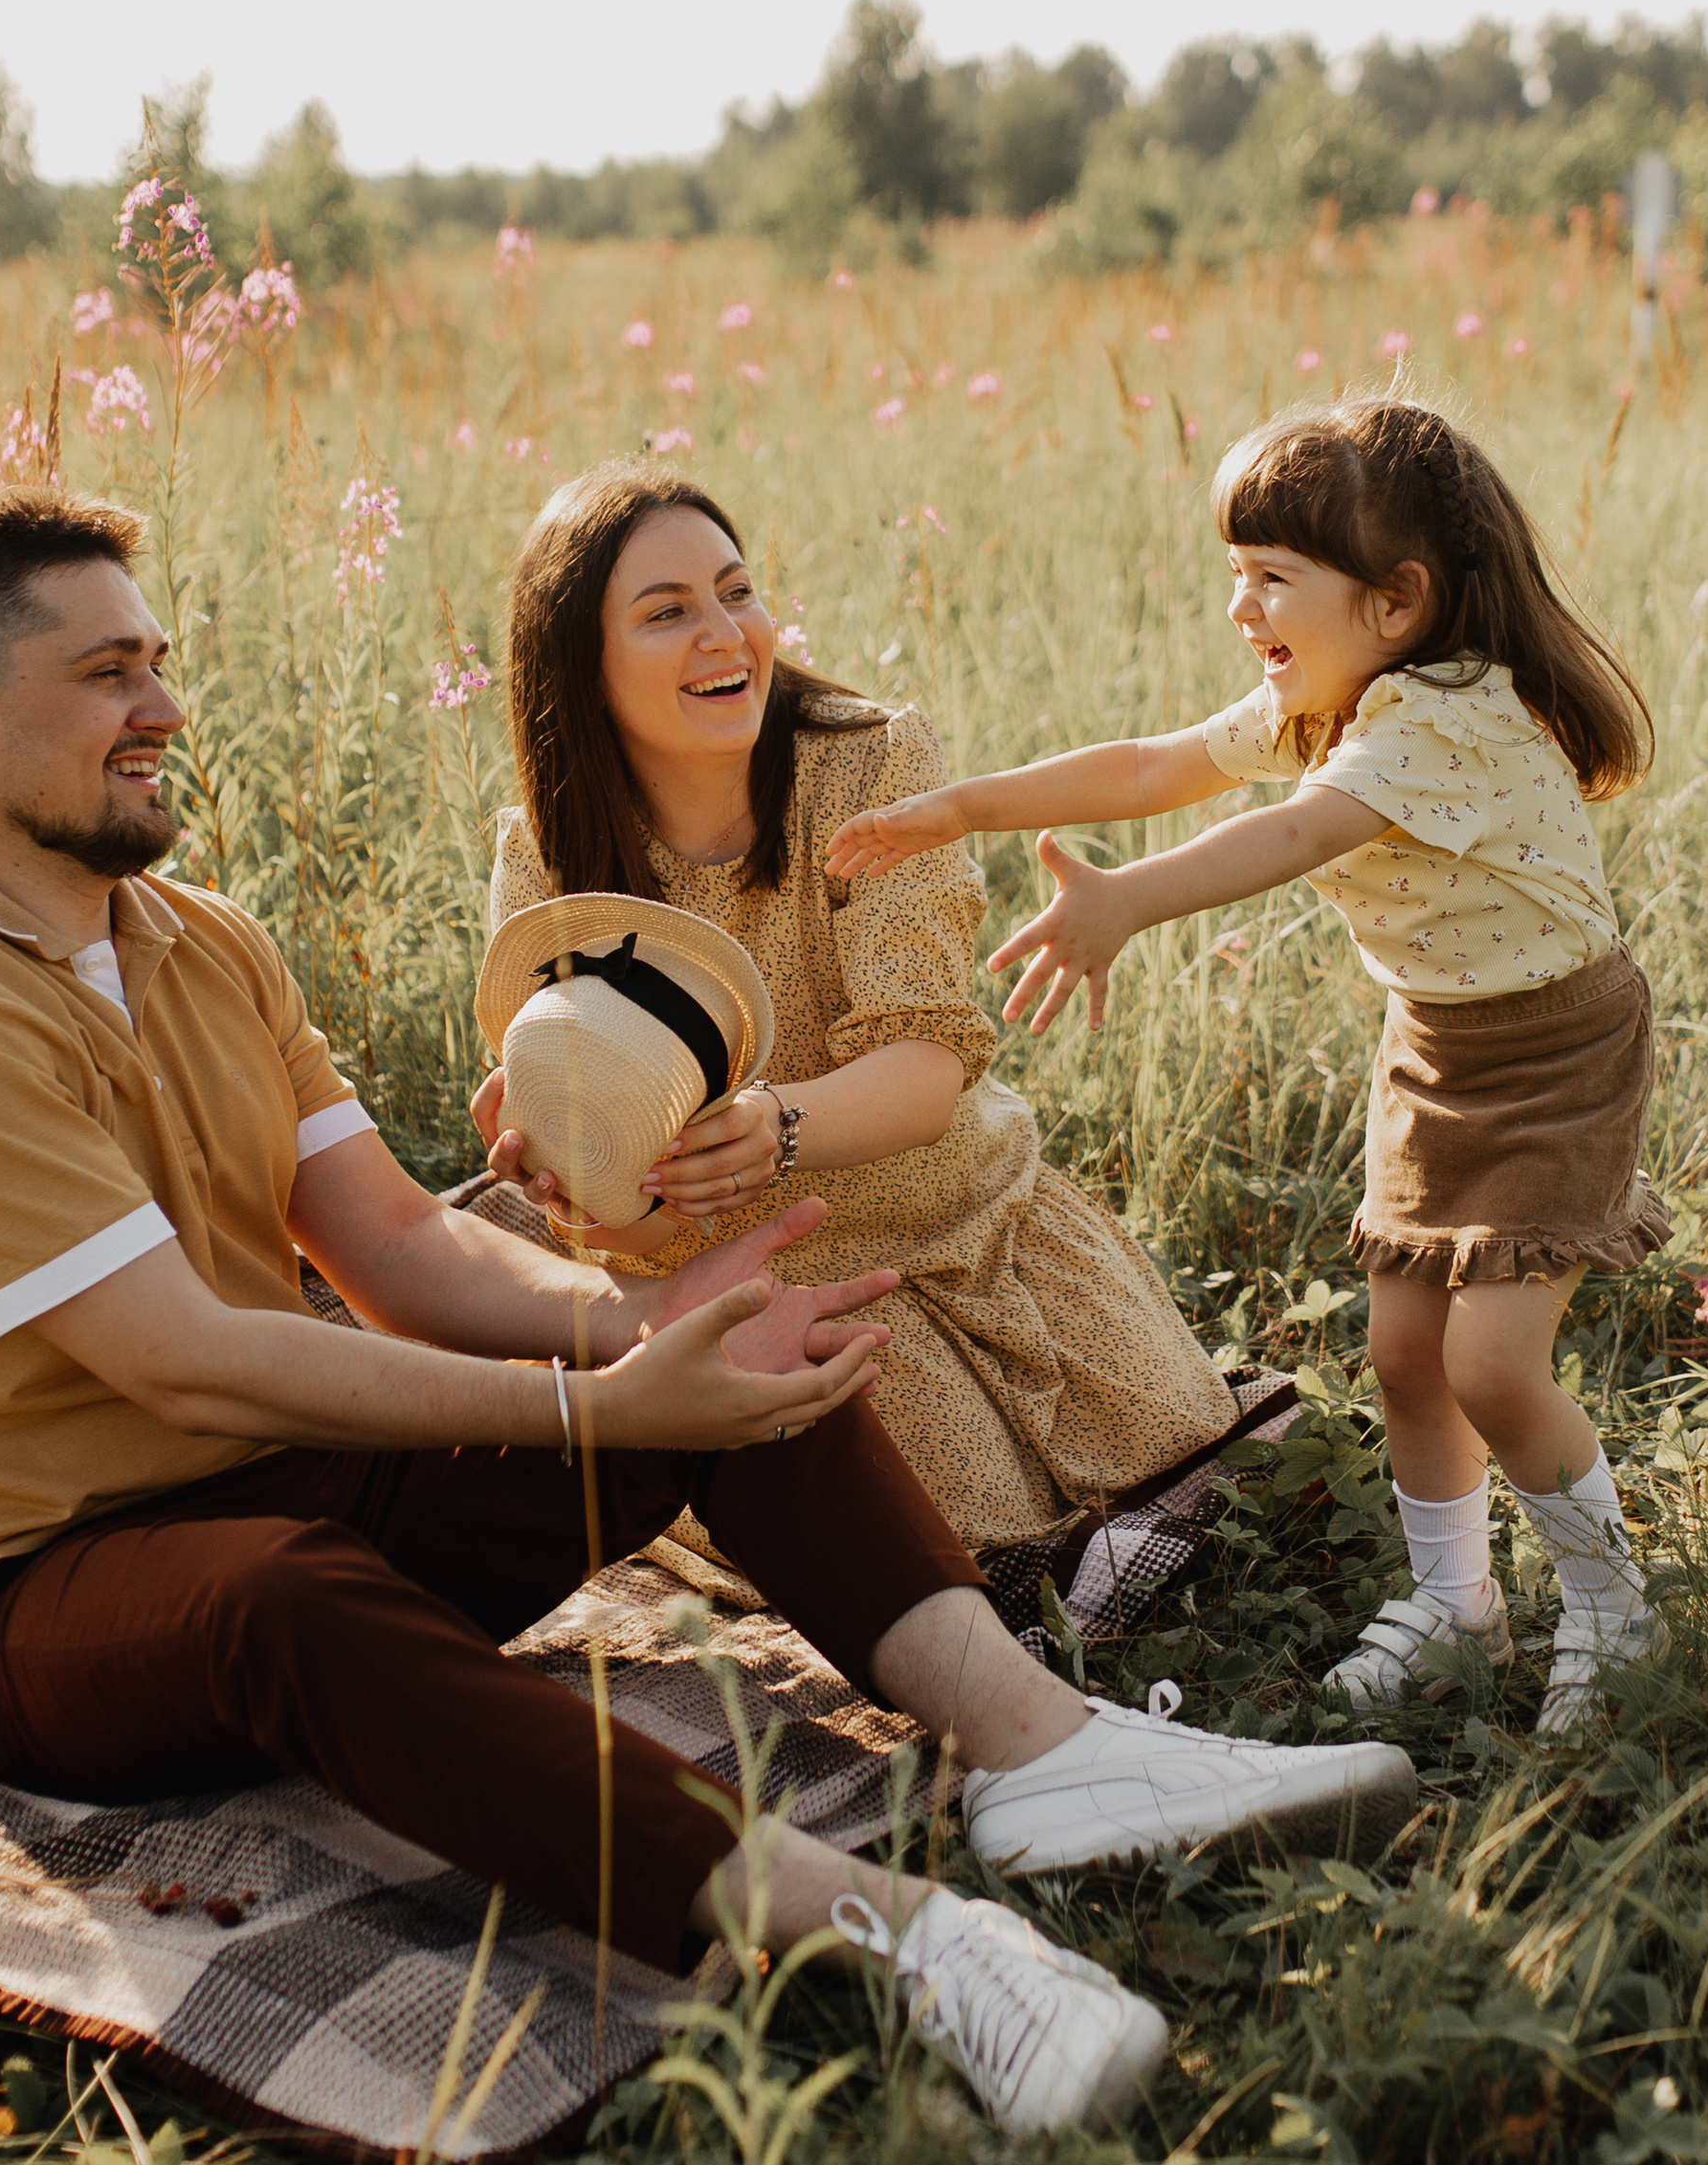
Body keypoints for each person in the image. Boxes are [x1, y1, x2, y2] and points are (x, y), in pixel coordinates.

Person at [0, 494, 1421, 2141]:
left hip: (278, 1482)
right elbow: (184, 1365)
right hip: (30, 1595)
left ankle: (1048, 1756)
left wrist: (647, 1326)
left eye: (155, 662)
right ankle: (902, 1935)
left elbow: (400, 1246)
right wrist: (596, 1408)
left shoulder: (203, 945)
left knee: (724, 1347)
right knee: (284, 1596)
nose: (164, 708)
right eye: (108, 675)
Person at [827, 391, 1670, 1739]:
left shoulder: (1439, 718)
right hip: (1435, 1050)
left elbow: (1286, 840)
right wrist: (963, 807)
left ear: (1396, 601)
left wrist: (1126, 901)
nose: (1241, 607)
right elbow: (1151, 766)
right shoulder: (1327, 701)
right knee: (1407, 1354)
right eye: (1237, 573)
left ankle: (1617, 1614)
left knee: (1494, 1367)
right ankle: (1456, 1604)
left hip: (1554, 1057)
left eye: (1272, 577)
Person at [470, 463, 1270, 1602]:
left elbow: (929, 1064)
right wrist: (572, 1176)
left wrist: (773, 1127)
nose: (724, 635)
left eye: (735, 592)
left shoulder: (867, 762)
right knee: (952, 1538)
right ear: (578, 663)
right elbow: (621, 1204)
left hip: (948, 1214)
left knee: (1166, 1452)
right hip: (730, 1273)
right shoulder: (546, 852)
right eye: (666, 612)